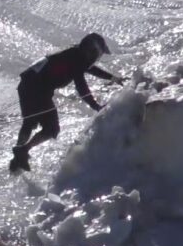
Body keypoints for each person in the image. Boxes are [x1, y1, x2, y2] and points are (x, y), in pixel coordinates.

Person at [10, 33, 124, 173]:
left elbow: (88, 68)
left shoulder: (74, 54)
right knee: (52, 129)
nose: (97, 58)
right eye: (98, 54)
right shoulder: (76, 58)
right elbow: (82, 88)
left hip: (26, 85)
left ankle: (18, 156)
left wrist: (112, 77)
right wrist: (96, 106)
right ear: (91, 51)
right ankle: (22, 151)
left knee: (29, 122)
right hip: (37, 90)